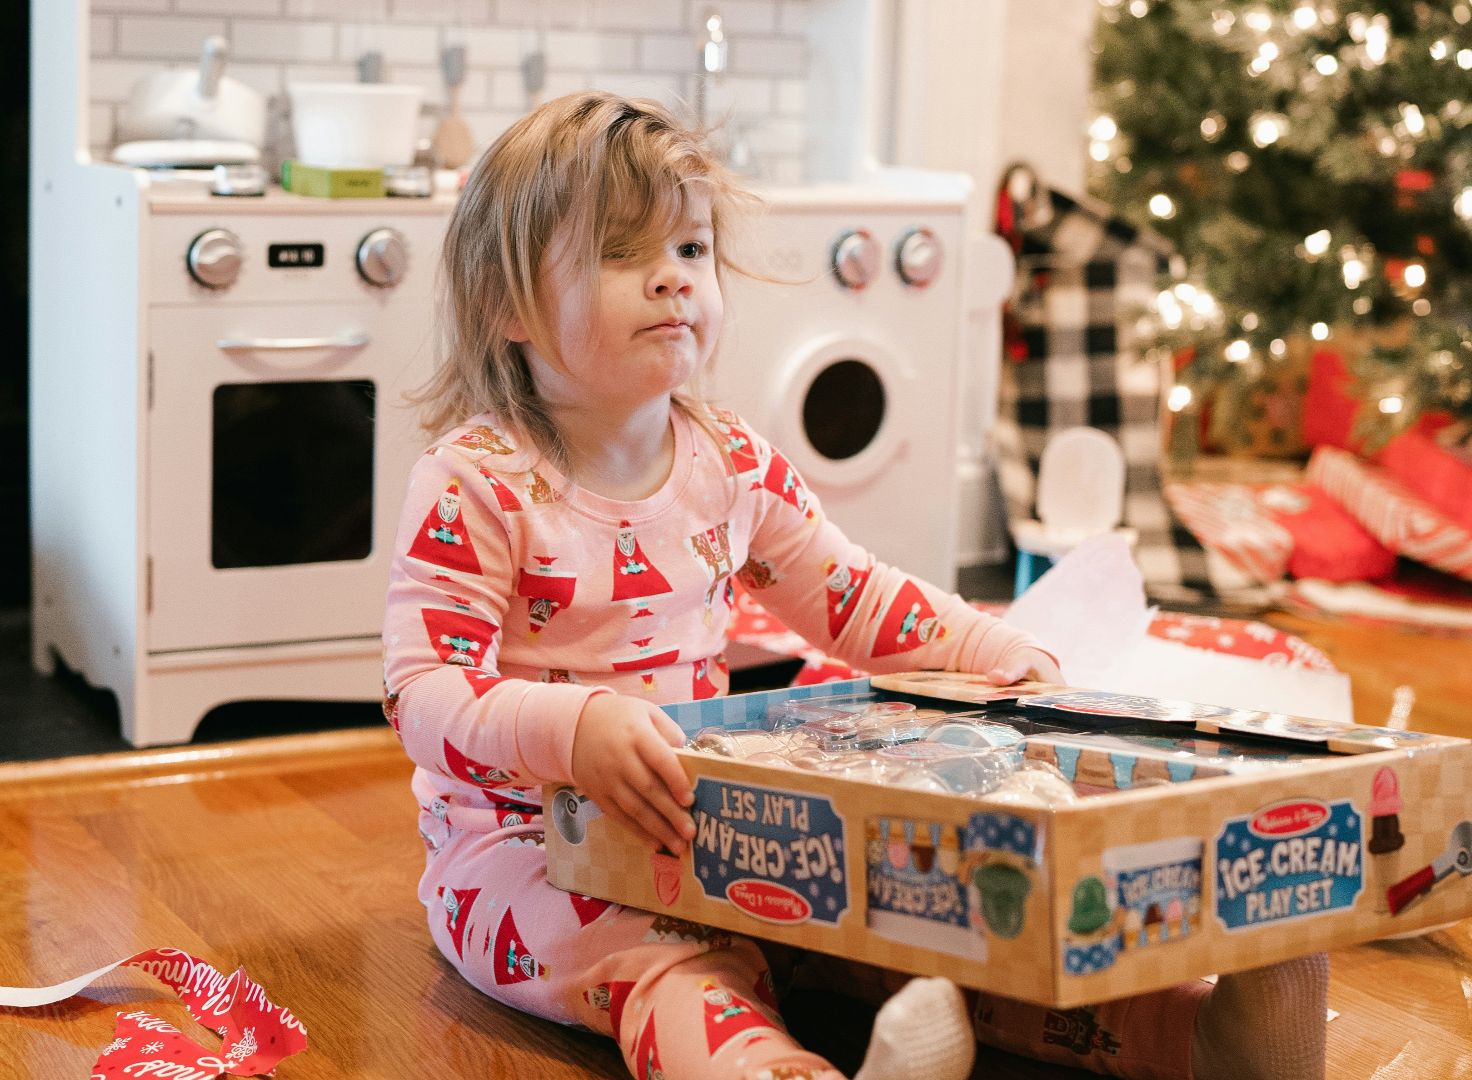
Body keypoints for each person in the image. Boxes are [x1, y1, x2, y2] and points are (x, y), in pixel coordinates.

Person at [384, 90, 1327, 1080]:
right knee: (672, 969)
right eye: (624, 255)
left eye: (693, 251)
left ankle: (1201, 1037)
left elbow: (851, 594)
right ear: (503, 304)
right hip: (521, 850)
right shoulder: (476, 483)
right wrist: (568, 731)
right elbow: (422, 695)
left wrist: (975, 643)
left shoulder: (728, 461)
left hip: (712, 820)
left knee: (912, 935)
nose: (673, 282)